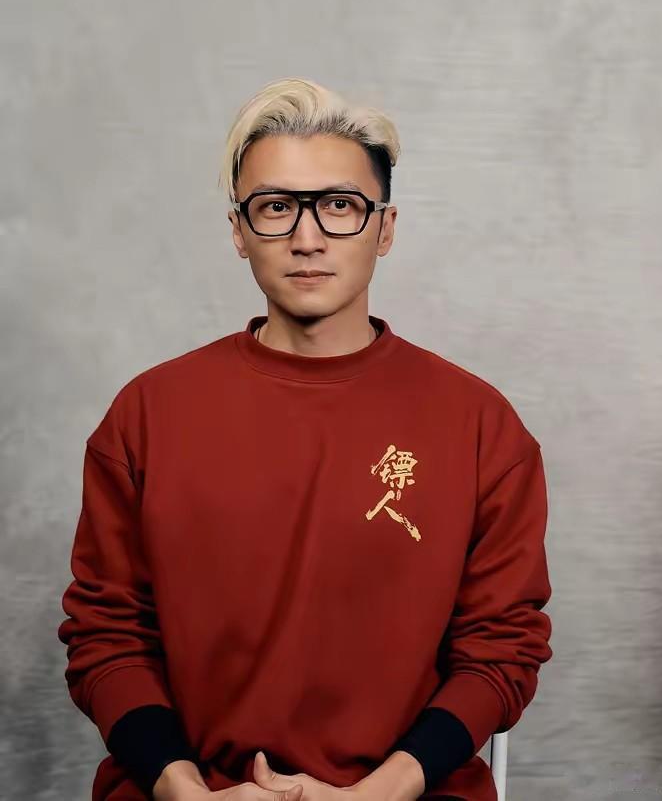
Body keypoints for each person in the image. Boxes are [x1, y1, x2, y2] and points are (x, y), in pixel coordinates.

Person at [58, 78, 553, 801]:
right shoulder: (147, 414)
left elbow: (501, 650)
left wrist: (377, 794)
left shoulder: (481, 426)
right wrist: (182, 790)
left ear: (385, 228)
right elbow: (107, 636)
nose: (308, 237)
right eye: (276, 207)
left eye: (340, 206)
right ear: (238, 231)